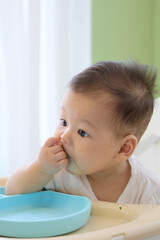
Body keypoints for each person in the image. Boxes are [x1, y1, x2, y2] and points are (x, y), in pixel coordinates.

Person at [6, 61, 160, 204]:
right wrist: (40, 168)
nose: (64, 136)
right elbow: (12, 191)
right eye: (64, 122)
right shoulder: (54, 170)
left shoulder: (148, 191)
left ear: (123, 148)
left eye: (82, 132)